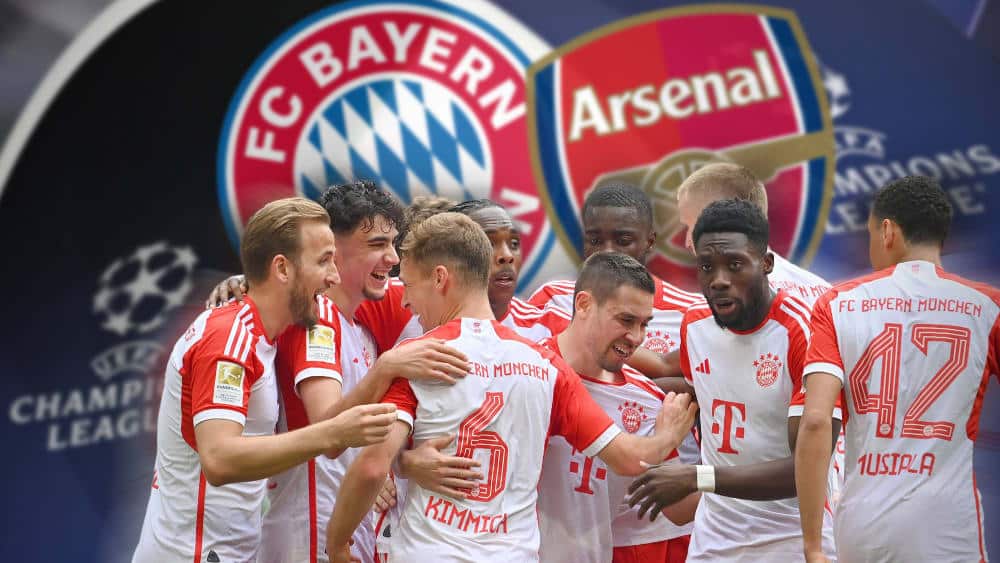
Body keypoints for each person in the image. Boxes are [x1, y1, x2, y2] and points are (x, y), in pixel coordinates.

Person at [325, 213, 697, 562]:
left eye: (408, 285)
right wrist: (668, 435)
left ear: (440, 278)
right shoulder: (546, 365)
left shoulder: (420, 356)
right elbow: (630, 458)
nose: (405, 300)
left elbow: (371, 467)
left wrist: (338, 544)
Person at [132, 197, 398, 563]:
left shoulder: (260, 336)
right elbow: (219, 459)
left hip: (226, 551)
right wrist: (333, 433)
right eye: (324, 261)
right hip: (192, 554)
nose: (334, 277)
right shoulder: (228, 338)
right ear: (282, 269)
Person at [259, 181, 469, 563]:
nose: (392, 258)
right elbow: (328, 431)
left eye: (393, 243)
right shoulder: (316, 316)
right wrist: (388, 367)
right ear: (332, 249)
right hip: (308, 536)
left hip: (344, 532)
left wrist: (398, 463)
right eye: (377, 245)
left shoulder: (360, 330)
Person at [795, 176, 999, 563]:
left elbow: (816, 422)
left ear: (887, 231)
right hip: (947, 527)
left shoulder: (836, 303)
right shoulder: (988, 307)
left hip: (862, 527)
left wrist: (813, 545)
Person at [628, 199, 839, 562]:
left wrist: (697, 477)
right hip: (714, 540)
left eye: (735, 265)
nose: (719, 280)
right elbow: (705, 391)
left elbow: (806, 466)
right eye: (706, 267)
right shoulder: (694, 325)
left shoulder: (801, 331)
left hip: (790, 537)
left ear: (766, 264)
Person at [533, 252, 700, 563]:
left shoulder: (647, 399)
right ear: (583, 304)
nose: (636, 338)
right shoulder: (526, 371)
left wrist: (737, 465)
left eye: (644, 324)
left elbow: (678, 509)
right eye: (625, 320)